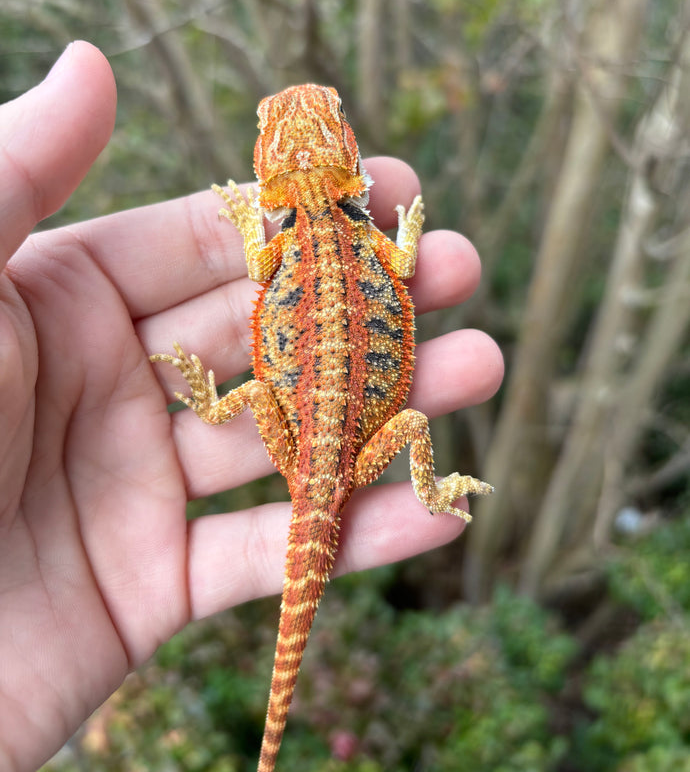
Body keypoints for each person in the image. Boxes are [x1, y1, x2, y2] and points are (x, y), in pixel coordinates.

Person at [0, 41, 503, 771]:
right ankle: (426, 486)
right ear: (347, 152)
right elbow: (400, 266)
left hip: (306, 438)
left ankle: (216, 406)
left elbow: (270, 258)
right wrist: (409, 234)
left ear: (268, 163)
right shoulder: (369, 243)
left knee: (389, 417)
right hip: (339, 444)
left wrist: (248, 220)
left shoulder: (280, 251)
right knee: (414, 420)